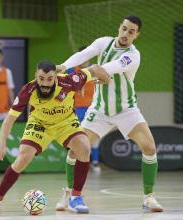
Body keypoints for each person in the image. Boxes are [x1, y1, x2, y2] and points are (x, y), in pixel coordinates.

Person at [56, 15, 163, 212]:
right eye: (124, 28)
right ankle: (70, 193)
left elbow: (110, 68)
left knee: (149, 147)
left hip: (126, 110)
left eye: (131, 31)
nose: (125, 34)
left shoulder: (133, 55)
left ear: (136, 35)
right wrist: (64, 66)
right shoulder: (103, 42)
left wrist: (87, 74)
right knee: (76, 150)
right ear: (119, 27)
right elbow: (84, 55)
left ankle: (148, 198)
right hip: (99, 110)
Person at [0, 60, 110, 214]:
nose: (45, 83)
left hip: (65, 122)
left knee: (84, 147)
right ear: (36, 76)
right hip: (39, 124)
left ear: (56, 77)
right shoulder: (28, 89)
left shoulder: (70, 81)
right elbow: (9, 120)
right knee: (22, 158)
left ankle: (75, 198)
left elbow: (94, 69)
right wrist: (1, 144)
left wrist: (107, 81)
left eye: (50, 79)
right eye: (41, 79)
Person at [66, 46, 101, 173]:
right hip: (75, 109)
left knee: (94, 136)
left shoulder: (96, 70)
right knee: (76, 137)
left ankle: (95, 161)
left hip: (92, 109)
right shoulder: (71, 70)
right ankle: (75, 162)